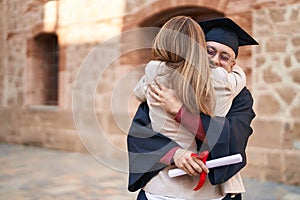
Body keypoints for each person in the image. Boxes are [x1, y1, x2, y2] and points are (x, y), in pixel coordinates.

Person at [127, 17, 258, 200]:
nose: (214, 60)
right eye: (209, 51)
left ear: (233, 65)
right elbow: (140, 132)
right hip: (166, 186)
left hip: (214, 193)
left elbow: (233, 140)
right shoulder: (165, 86)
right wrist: (174, 154)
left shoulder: (240, 97)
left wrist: (180, 112)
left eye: (224, 57)